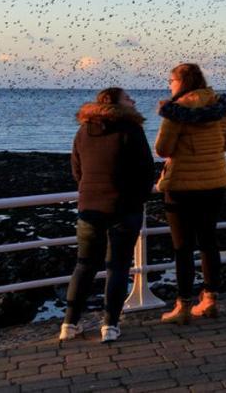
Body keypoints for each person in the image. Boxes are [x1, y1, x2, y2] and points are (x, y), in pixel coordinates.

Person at [61, 87, 154, 343]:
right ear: (115, 103)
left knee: (84, 264)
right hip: (124, 208)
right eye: (127, 98)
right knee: (118, 267)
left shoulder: (83, 131)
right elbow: (146, 170)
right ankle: (110, 326)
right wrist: (138, 198)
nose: (133, 100)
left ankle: (69, 324)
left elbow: (77, 170)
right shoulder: (130, 129)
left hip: (89, 207)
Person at [155, 62, 226, 324]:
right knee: (209, 242)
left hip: (182, 186)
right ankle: (210, 300)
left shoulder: (177, 111)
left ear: (183, 82)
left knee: (183, 247)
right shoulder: (221, 108)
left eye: (171, 80)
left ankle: (184, 305)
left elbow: (163, 149)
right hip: (215, 182)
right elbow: (225, 144)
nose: (169, 85)